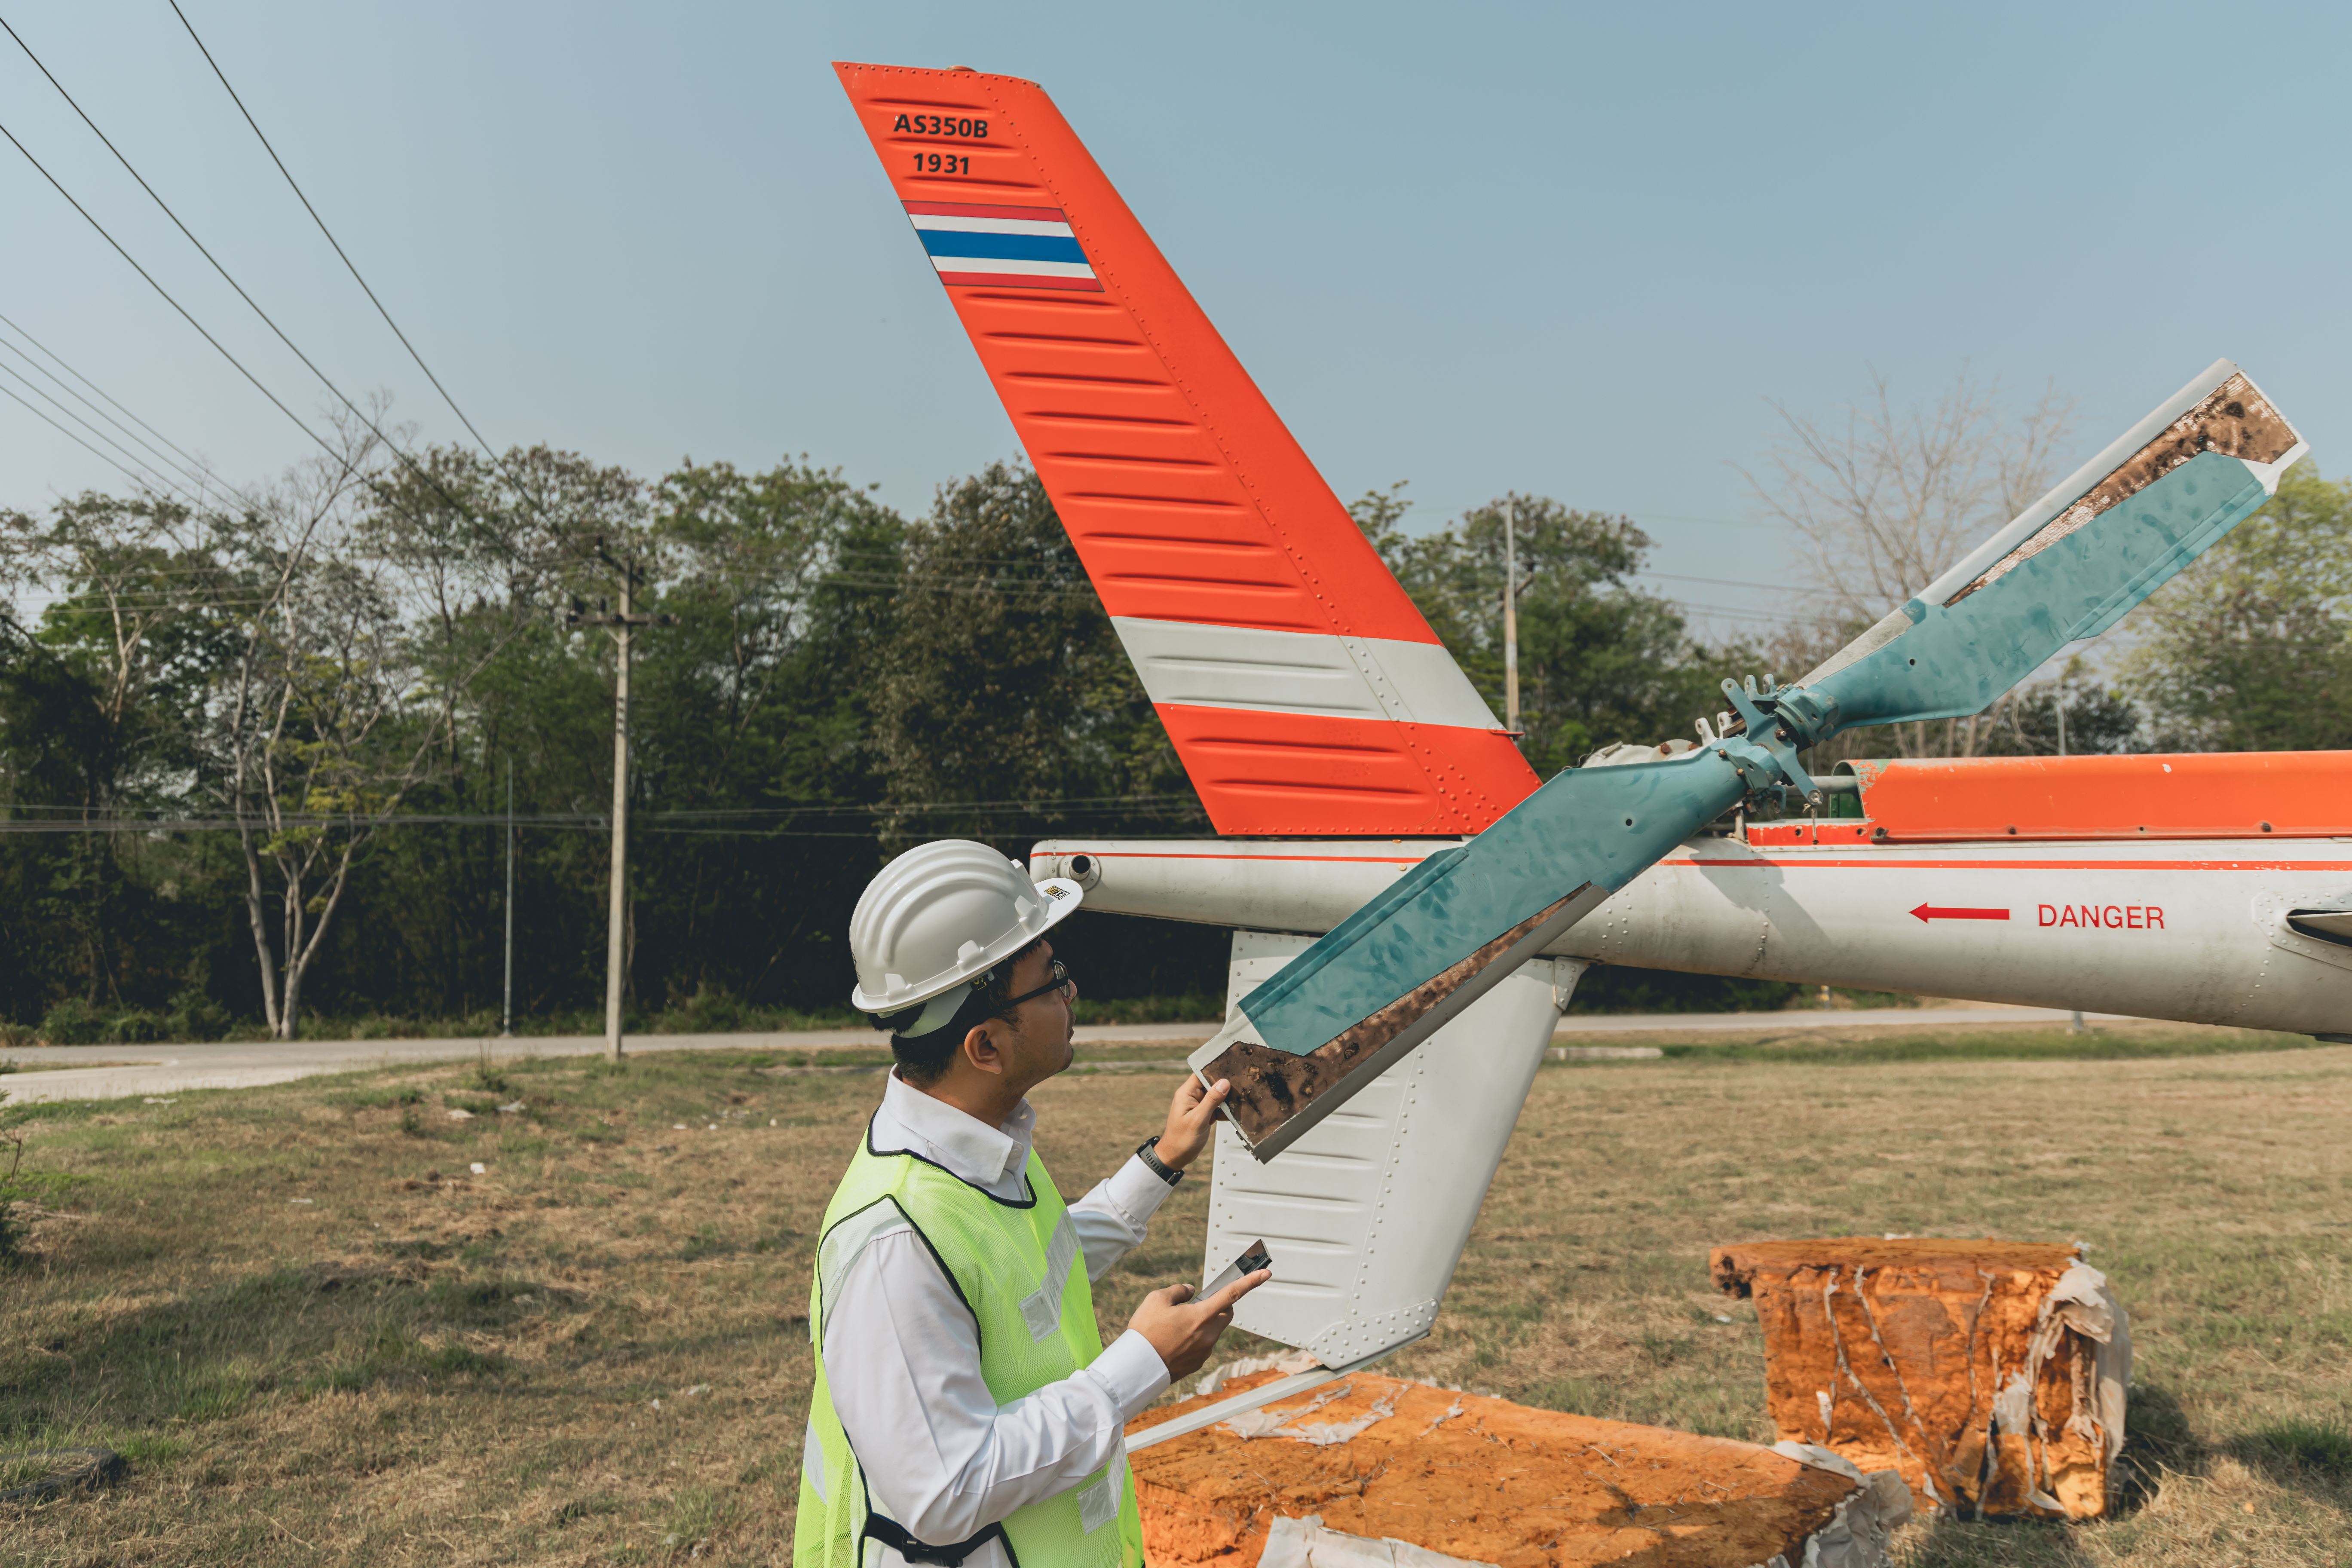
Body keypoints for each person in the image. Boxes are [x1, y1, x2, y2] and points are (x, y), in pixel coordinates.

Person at [796, 840, 1269, 1568]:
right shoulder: (893, 1244)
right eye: (1052, 982)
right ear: (985, 1047)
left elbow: (1029, 1271)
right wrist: (1140, 1364)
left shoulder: (979, 1145)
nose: (1070, 995)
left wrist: (1164, 1160)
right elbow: (944, 1491)